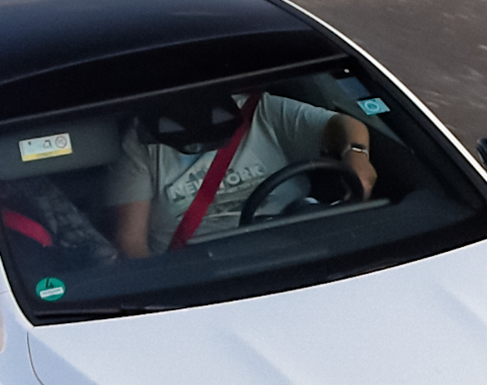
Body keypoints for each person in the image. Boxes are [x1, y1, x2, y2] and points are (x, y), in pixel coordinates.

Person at [106, 88, 377, 259]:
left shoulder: (263, 112)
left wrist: (357, 156)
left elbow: (344, 124)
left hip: (297, 249)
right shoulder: (142, 143)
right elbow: (131, 244)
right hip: (198, 269)